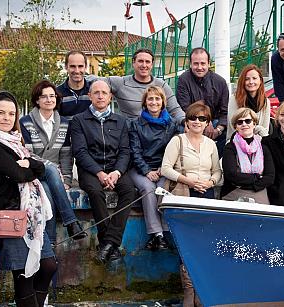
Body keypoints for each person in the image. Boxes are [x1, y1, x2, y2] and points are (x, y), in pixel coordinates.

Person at [0, 91, 57, 307]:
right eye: (1, 113)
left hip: (30, 217)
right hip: (9, 214)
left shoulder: (15, 142)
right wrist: (30, 167)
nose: (7, 118)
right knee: (23, 276)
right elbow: (19, 174)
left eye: (11, 114)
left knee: (48, 266)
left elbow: (38, 167)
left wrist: (30, 166)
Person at [161, 102, 222, 307]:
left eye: (202, 118)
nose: (197, 121)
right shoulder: (177, 141)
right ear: (187, 121)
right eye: (193, 118)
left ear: (207, 123)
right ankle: (189, 291)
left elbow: (217, 172)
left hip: (206, 195)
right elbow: (165, 169)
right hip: (184, 194)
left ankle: (200, 291)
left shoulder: (211, 144)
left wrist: (210, 182)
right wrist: (188, 181)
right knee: (186, 243)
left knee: (204, 243)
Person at [71, 80, 137, 264]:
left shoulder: (121, 121)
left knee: (129, 190)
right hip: (90, 170)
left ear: (110, 97)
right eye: (96, 93)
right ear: (90, 96)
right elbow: (80, 151)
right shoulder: (79, 121)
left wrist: (117, 172)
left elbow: (125, 150)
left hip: (116, 169)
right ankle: (109, 243)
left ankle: (108, 244)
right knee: (95, 191)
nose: (100, 96)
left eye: (104, 93)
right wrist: (99, 172)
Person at [20, 80, 86, 245]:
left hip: (55, 178)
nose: (49, 100)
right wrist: (51, 167)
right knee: (50, 171)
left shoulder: (64, 123)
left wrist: (67, 179)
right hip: (33, 171)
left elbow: (66, 154)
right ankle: (71, 222)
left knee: (48, 195)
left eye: (52, 96)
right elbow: (28, 153)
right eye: (44, 97)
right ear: (37, 100)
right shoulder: (25, 122)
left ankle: (49, 246)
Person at [128, 86, 182, 250]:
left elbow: (174, 150)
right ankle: (157, 234)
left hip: (163, 167)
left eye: (157, 99)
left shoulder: (172, 124)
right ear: (145, 102)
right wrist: (146, 171)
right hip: (139, 168)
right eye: (150, 99)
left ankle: (165, 232)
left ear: (163, 102)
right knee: (149, 189)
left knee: (162, 190)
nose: (154, 102)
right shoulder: (135, 124)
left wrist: (161, 168)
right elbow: (134, 151)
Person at [104, 48, 185, 124]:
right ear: (133, 63)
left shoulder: (161, 85)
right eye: (140, 61)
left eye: (147, 62)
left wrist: (185, 122)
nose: (144, 65)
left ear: (152, 65)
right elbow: (93, 80)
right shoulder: (121, 83)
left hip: (155, 132)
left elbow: (175, 110)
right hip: (128, 133)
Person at [176, 47, 229, 157]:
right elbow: (184, 107)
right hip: (191, 122)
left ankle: (214, 163)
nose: (199, 67)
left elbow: (225, 112)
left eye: (203, 63)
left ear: (209, 64)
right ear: (190, 64)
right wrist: (204, 121)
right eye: (196, 64)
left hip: (215, 123)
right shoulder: (183, 80)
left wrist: (218, 129)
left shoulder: (220, 82)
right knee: (180, 130)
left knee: (229, 135)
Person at [221, 108, 274, 203]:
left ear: (254, 124)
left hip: (259, 191)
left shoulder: (264, 147)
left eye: (248, 121)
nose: (244, 124)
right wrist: (256, 177)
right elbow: (231, 174)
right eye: (240, 122)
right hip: (234, 192)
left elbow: (270, 177)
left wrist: (253, 185)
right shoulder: (230, 147)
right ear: (235, 127)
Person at [226, 64, 271, 141]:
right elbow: (234, 125)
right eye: (247, 79)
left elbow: (265, 131)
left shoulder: (266, 102)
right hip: (237, 142)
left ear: (260, 80)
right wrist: (257, 129)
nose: (251, 82)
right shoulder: (234, 99)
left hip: (259, 142)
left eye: (254, 78)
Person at [56, 50, 93, 119]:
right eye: (73, 66)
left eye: (80, 66)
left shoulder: (94, 91)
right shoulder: (57, 93)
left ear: (86, 67)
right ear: (66, 67)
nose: (77, 71)